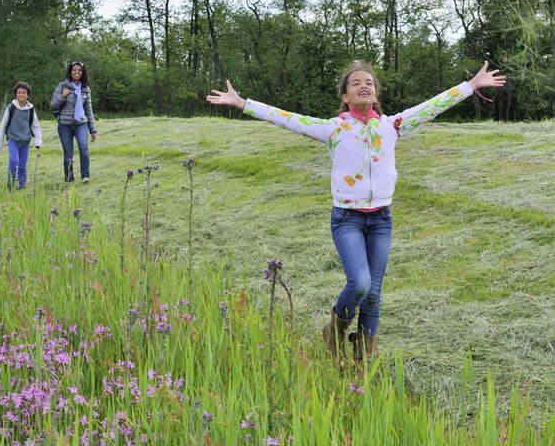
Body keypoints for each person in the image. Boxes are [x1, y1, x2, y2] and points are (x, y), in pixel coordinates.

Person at [206, 60, 506, 366]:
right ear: (345, 97)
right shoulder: (334, 129)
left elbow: (431, 106)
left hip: (381, 220)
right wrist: (242, 103)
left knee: (374, 294)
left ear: (375, 95)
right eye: (356, 84)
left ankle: (363, 358)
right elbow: (287, 118)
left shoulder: (393, 126)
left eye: (370, 83)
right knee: (360, 284)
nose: (364, 86)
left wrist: (471, 85)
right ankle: (334, 333)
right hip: (347, 219)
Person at [50, 61, 98, 183]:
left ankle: (85, 176)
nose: (77, 72)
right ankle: (69, 178)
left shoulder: (85, 89)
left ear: (83, 73)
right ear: (70, 72)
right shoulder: (62, 86)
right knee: (68, 154)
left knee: (84, 149)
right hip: (64, 125)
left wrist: (93, 130)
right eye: (74, 70)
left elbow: (89, 110)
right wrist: (63, 96)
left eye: (79, 70)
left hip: (81, 124)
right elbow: (52, 106)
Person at [0, 81, 43, 190]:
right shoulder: (10, 108)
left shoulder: (31, 110)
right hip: (13, 140)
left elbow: (36, 126)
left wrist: (38, 141)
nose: (21, 95)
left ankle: (22, 186)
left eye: (24, 93)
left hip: (25, 142)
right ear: (16, 94)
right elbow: (3, 126)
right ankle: (10, 185)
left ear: (28, 95)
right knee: (13, 161)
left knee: (22, 165)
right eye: (19, 92)